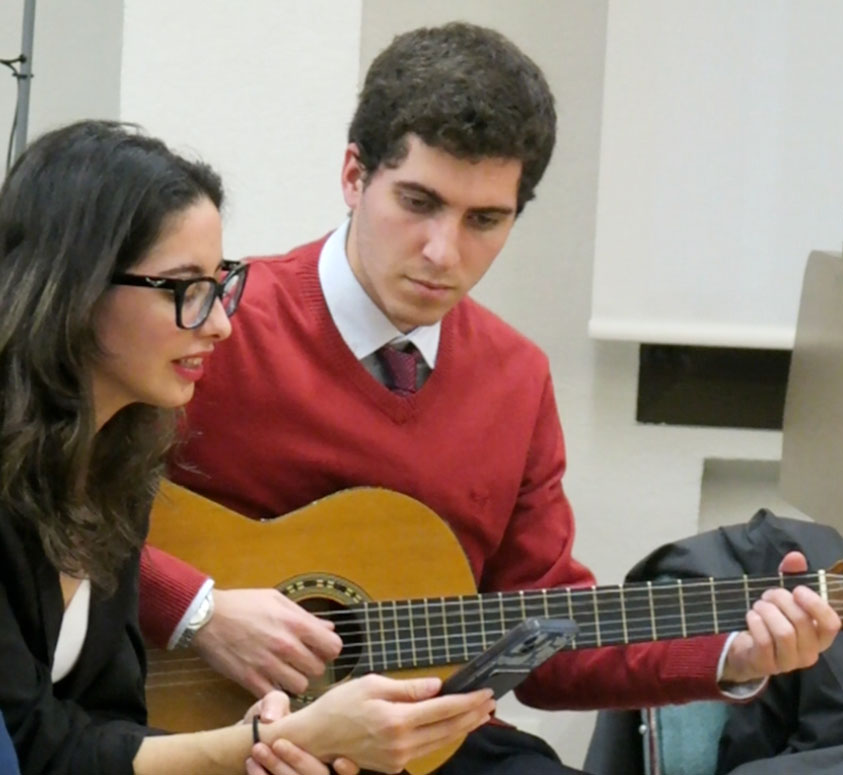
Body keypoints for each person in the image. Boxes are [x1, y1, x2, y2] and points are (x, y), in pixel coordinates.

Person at [138, 22, 841, 774]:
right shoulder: (217, 325)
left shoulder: (516, 380)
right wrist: (197, 609)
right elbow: (42, 511)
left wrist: (735, 651)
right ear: (353, 175)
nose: (445, 252)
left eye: (484, 220)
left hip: (429, 748)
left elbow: (545, 641)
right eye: (418, 202)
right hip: (218, 738)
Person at [0, 120, 496, 775]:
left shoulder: (111, 464)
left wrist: (264, 745)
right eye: (184, 289)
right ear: (74, 286)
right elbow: (33, 746)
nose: (220, 323)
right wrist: (268, 743)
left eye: (221, 281)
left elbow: (104, 722)